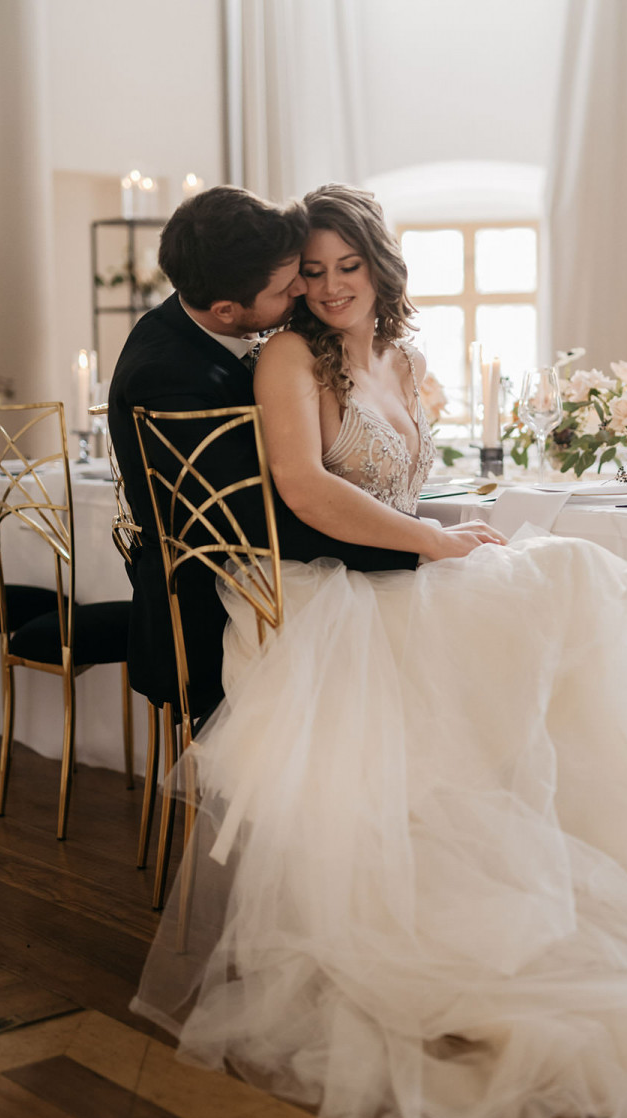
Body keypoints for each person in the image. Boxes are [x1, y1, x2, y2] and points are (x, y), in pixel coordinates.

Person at [131, 184, 627, 1118]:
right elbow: (304, 490)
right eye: (311, 271)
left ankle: (618, 844)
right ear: (284, 285)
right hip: (324, 599)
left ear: (380, 269)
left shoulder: (406, 358)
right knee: (563, 574)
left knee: (560, 574)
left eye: (348, 267)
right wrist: (434, 545)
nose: (330, 286)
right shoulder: (287, 357)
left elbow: (396, 484)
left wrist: (445, 533)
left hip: (392, 564)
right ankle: (528, 858)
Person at [108, 185, 421, 720]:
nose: (305, 289)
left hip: (302, 575)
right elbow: (263, 517)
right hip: (223, 610)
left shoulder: (207, 326)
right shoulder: (171, 376)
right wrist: (418, 552)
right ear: (228, 310)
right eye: (291, 281)